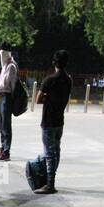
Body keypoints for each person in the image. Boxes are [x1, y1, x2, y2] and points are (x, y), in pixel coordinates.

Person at [35, 49, 73, 194]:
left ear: (54, 62)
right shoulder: (68, 80)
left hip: (48, 121)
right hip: (60, 121)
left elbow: (38, 99)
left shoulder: (49, 80)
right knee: (56, 150)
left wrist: (48, 99)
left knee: (49, 153)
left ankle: (50, 184)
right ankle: (50, 179)